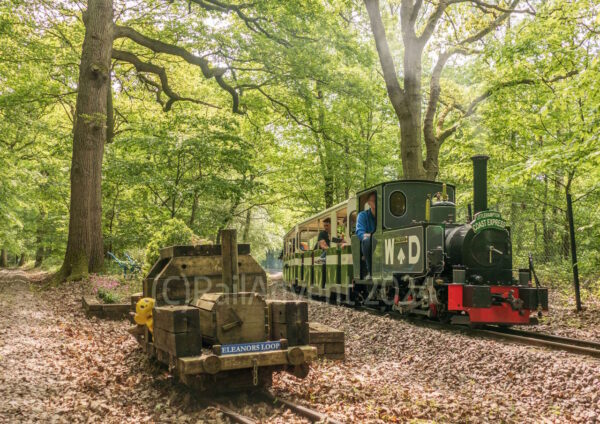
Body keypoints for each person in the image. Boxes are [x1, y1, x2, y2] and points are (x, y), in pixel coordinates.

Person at [355, 192, 376, 279]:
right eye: (373, 201)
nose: (376, 203)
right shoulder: (362, 216)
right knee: (366, 239)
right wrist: (371, 236)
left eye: (377, 200)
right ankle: (370, 271)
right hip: (369, 245)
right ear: (369, 203)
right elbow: (360, 233)